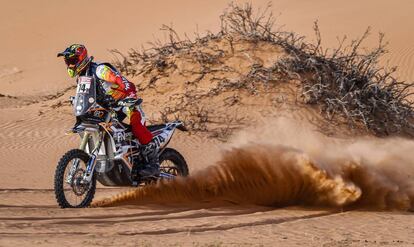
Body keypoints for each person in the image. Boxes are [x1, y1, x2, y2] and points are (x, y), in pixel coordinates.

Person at [57, 44, 160, 179]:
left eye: (72, 61)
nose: (70, 66)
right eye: (68, 62)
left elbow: (123, 81)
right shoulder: (82, 76)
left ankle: (153, 164)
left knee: (136, 126)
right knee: (107, 130)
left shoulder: (100, 70)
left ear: (81, 59)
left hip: (125, 103)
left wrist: (130, 96)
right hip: (109, 109)